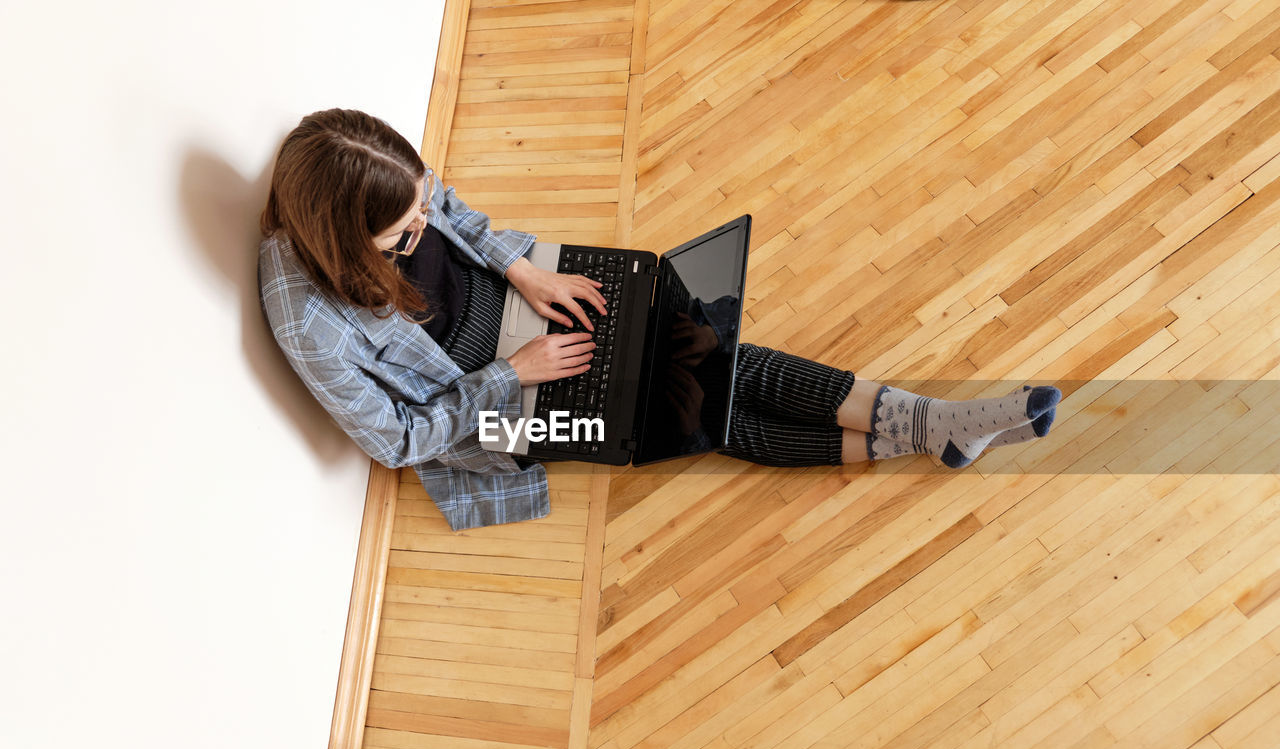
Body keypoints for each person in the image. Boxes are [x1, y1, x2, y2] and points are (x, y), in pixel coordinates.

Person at [258, 108, 1061, 530]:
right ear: (343, 244)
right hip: (489, 415)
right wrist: (515, 374)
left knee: (694, 343)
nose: (425, 227)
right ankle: (931, 425)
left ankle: (929, 427)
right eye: (404, 235)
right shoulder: (310, 323)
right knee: (679, 409)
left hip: (522, 305)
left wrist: (523, 268)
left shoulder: (363, 167)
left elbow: (451, 209)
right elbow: (398, 441)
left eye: (421, 204)